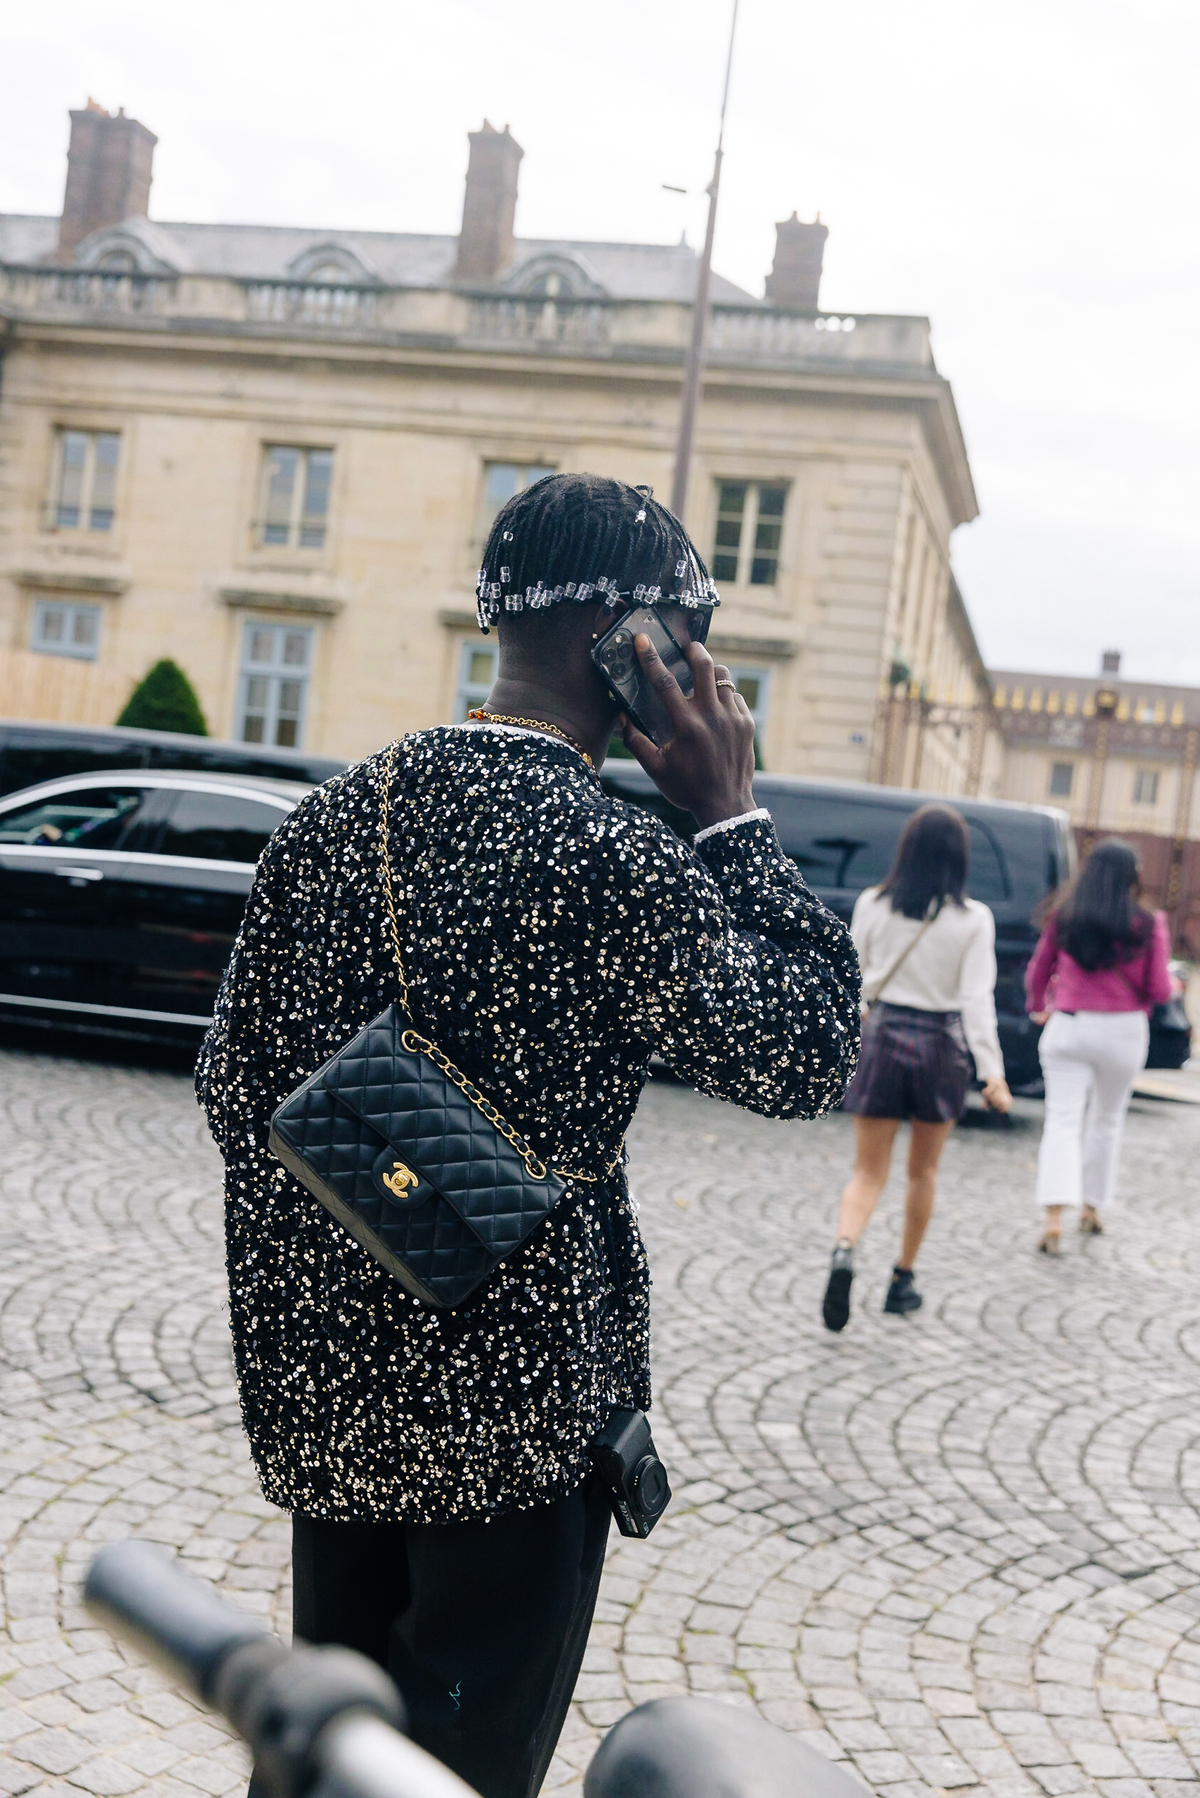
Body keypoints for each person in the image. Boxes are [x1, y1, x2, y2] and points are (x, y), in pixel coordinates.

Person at [197, 472, 860, 1798]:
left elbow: (232, 1088)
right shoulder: (611, 854)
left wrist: (394, 1197)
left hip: (330, 1410)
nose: (708, 669)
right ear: (633, 639)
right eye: (694, 633)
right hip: (519, 1426)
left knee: (328, 1751)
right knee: (458, 1774)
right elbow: (807, 1047)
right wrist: (731, 814)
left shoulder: (335, 820)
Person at [821, 804, 1012, 1332]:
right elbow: (977, 999)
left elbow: (851, 983)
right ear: (959, 858)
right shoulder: (974, 920)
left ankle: (844, 1247)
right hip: (939, 1047)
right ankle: (902, 1280)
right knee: (921, 1172)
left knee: (867, 1171)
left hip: (881, 1038)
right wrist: (992, 1072)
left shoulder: (873, 904)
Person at [1025, 837, 1172, 1252]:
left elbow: (1038, 972)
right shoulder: (1147, 923)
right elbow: (1160, 989)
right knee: (1106, 1122)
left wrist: (1039, 1006)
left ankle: (1054, 1218)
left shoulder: (1065, 915)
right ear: (1132, 876)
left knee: (1062, 1121)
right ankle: (1091, 1208)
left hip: (1070, 1026)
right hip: (1123, 1032)